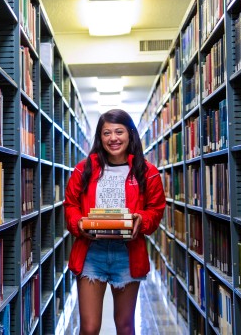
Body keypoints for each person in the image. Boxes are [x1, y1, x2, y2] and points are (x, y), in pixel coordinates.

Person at [63, 109, 166, 335]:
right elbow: (70, 205)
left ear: (130, 134)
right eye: (106, 133)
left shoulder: (147, 172)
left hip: (128, 254)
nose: (113, 138)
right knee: (89, 328)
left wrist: (142, 220)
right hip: (92, 253)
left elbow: (156, 209)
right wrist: (79, 223)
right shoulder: (84, 169)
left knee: (125, 326)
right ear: (100, 137)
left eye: (119, 131)